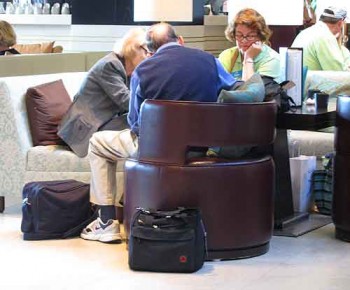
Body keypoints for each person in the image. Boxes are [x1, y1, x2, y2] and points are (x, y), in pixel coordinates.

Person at [80, 22, 237, 243]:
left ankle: (106, 222)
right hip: (204, 146)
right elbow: (233, 89)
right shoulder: (210, 60)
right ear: (180, 40)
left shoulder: (143, 70)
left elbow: (135, 122)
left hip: (157, 150)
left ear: (150, 50)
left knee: (97, 143)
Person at [57, 28, 149, 158]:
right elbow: (126, 101)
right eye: (146, 51)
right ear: (134, 49)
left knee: (141, 120)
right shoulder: (111, 65)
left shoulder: (128, 70)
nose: (149, 56)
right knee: (140, 119)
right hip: (85, 131)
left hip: (103, 122)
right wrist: (153, 109)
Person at [218, 8, 281, 82]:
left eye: (250, 36)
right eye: (239, 35)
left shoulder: (271, 60)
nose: (244, 40)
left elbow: (251, 91)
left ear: (261, 36)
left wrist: (248, 59)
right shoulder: (228, 55)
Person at [292, 6, 350, 71]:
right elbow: (338, 72)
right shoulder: (326, 36)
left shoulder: (304, 33)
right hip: (309, 81)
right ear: (340, 23)